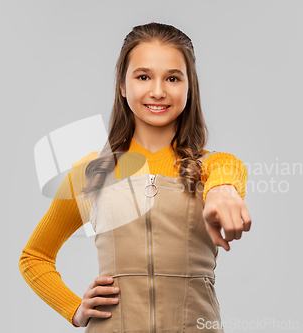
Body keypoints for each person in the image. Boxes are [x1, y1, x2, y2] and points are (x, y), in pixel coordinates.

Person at [19, 22, 252, 332]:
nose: (158, 91)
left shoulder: (212, 168)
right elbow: (34, 256)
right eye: (143, 76)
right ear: (123, 86)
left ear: (189, 87)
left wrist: (222, 190)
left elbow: (227, 169)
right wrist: (74, 308)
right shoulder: (90, 175)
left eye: (172, 78)